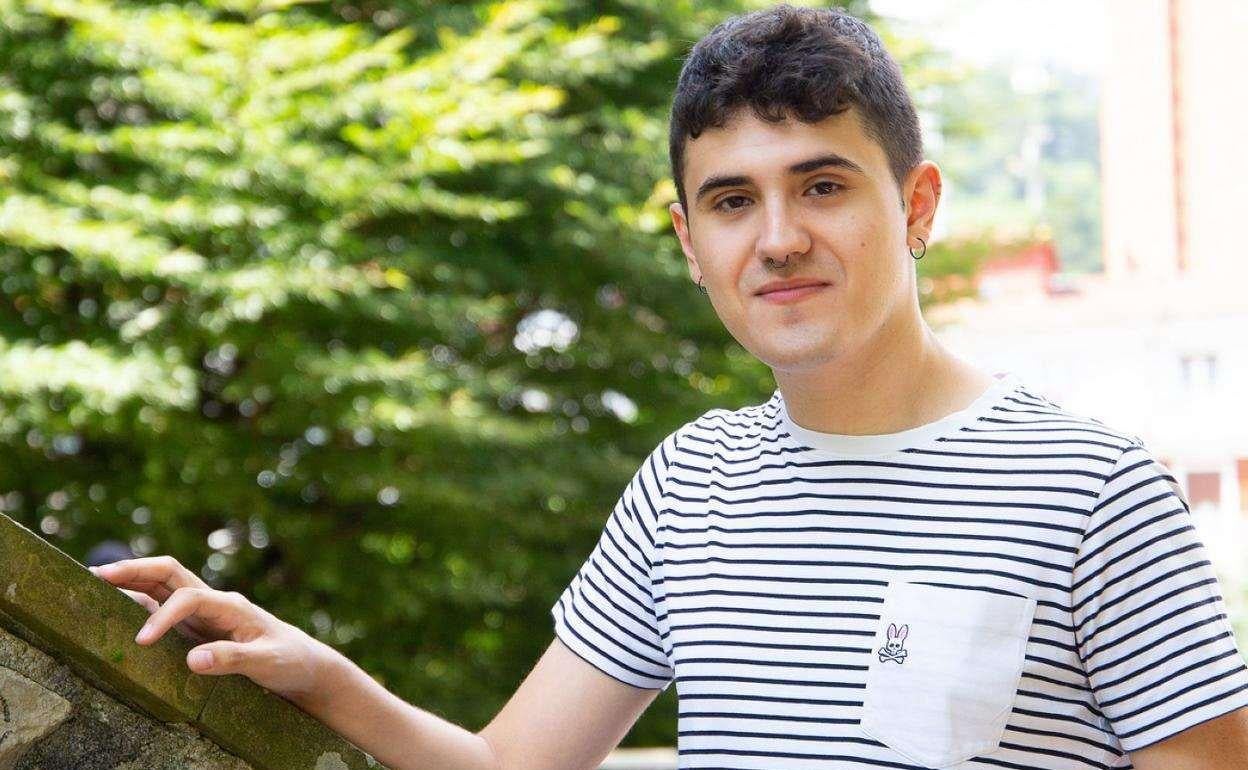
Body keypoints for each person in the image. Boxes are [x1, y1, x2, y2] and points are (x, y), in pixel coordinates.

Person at [88, 5, 1248, 769]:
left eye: (823, 185)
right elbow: (511, 764)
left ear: (917, 203)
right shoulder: (691, 482)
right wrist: (318, 673)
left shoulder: (1092, 489)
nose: (778, 238)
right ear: (692, 243)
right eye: (734, 201)